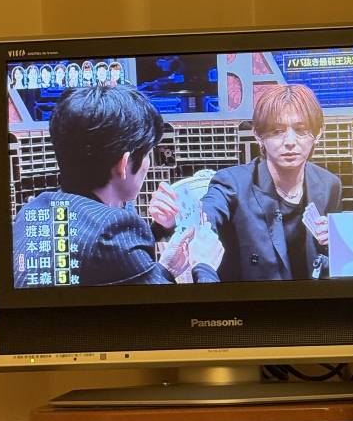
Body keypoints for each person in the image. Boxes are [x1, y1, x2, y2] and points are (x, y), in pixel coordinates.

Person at [13, 85, 223, 288]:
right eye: (147, 153)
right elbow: (177, 312)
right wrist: (204, 267)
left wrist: (161, 241)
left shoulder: (32, 211)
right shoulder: (113, 232)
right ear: (124, 164)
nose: (148, 164)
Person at [149, 84, 342, 281]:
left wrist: (335, 242)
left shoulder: (328, 184)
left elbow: (332, 258)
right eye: (277, 131)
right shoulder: (232, 183)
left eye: (300, 130)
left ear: (318, 134)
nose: (290, 141)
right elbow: (206, 218)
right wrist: (171, 222)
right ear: (258, 135)